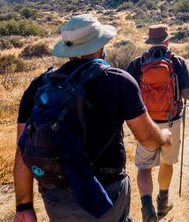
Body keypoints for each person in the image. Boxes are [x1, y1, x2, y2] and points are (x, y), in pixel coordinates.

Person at [14, 14, 172, 222]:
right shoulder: (118, 81)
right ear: (100, 44)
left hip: (56, 196)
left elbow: (24, 149)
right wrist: (163, 136)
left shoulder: (40, 85)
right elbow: (146, 139)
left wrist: (24, 206)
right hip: (106, 194)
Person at [127, 24, 189, 222]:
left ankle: (146, 205)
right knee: (167, 161)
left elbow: (129, 94)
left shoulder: (137, 63)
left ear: (149, 42)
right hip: (171, 121)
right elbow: (187, 95)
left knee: (143, 166)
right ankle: (162, 202)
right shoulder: (178, 62)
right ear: (167, 41)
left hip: (146, 122)